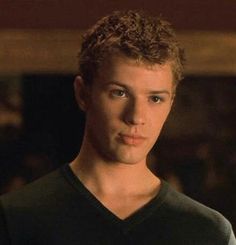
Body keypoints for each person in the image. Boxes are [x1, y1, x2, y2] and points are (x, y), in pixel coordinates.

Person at [0, 10, 235, 245]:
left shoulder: (208, 232)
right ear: (83, 94)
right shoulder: (15, 219)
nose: (135, 117)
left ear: (170, 104)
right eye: (119, 93)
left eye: (155, 99)